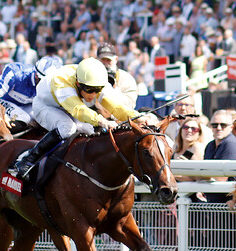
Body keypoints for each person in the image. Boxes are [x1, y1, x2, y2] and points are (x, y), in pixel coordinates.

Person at [12, 58, 140, 178]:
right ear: (78, 84)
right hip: (45, 106)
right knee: (68, 127)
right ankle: (28, 161)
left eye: (97, 90)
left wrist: (137, 117)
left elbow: (116, 107)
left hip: (68, 107)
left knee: (89, 130)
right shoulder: (62, 81)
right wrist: (102, 121)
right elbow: (78, 110)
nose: (93, 94)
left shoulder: (96, 80)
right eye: (89, 90)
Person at [0, 56, 63, 131]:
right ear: (36, 76)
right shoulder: (15, 74)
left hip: (26, 104)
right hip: (3, 100)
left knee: (45, 117)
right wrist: (3, 115)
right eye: (46, 82)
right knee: (24, 118)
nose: (48, 87)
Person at [97, 43, 138, 109]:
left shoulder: (127, 79)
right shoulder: (92, 77)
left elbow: (130, 105)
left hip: (119, 118)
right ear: (97, 60)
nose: (106, 63)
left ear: (116, 59)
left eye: (108, 60)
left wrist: (114, 90)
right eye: (103, 60)